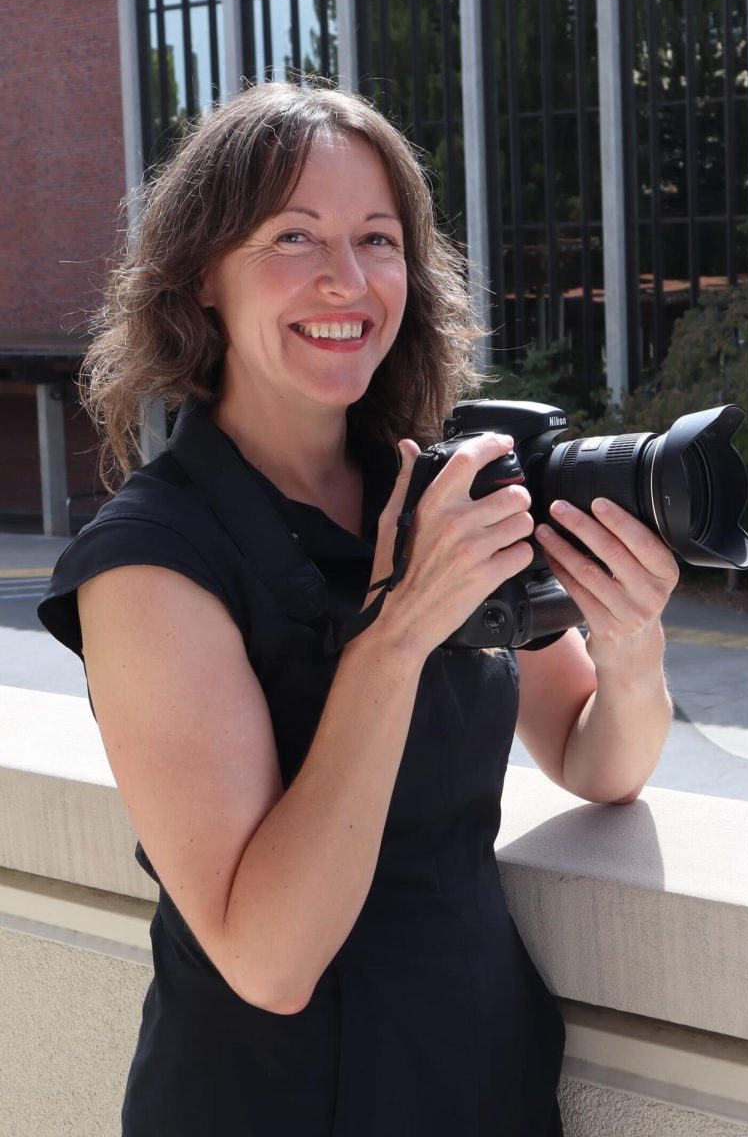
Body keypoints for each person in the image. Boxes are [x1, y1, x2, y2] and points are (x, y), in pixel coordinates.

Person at [38, 81, 678, 1136]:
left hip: (484, 1088)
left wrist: (629, 643)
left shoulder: (438, 492)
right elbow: (268, 959)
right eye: (293, 237)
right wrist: (395, 637)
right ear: (203, 277)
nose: (347, 279)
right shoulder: (150, 563)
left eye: (377, 239)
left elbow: (592, 758)